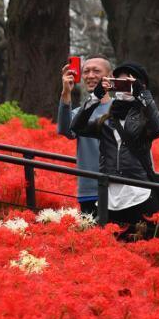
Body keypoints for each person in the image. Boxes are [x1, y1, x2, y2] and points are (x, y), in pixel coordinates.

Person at [69, 62, 159, 241]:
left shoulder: (144, 119)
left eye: (129, 83)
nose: (124, 87)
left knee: (143, 245)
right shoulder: (105, 121)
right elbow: (77, 127)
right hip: (109, 195)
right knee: (111, 248)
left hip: (140, 193)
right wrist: (95, 97)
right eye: (119, 82)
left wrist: (143, 94)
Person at [57, 55, 112, 216]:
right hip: (88, 190)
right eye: (86, 71)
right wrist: (66, 93)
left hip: (118, 189)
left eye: (96, 71)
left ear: (109, 75)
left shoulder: (119, 109)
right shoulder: (79, 113)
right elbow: (66, 130)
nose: (90, 75)